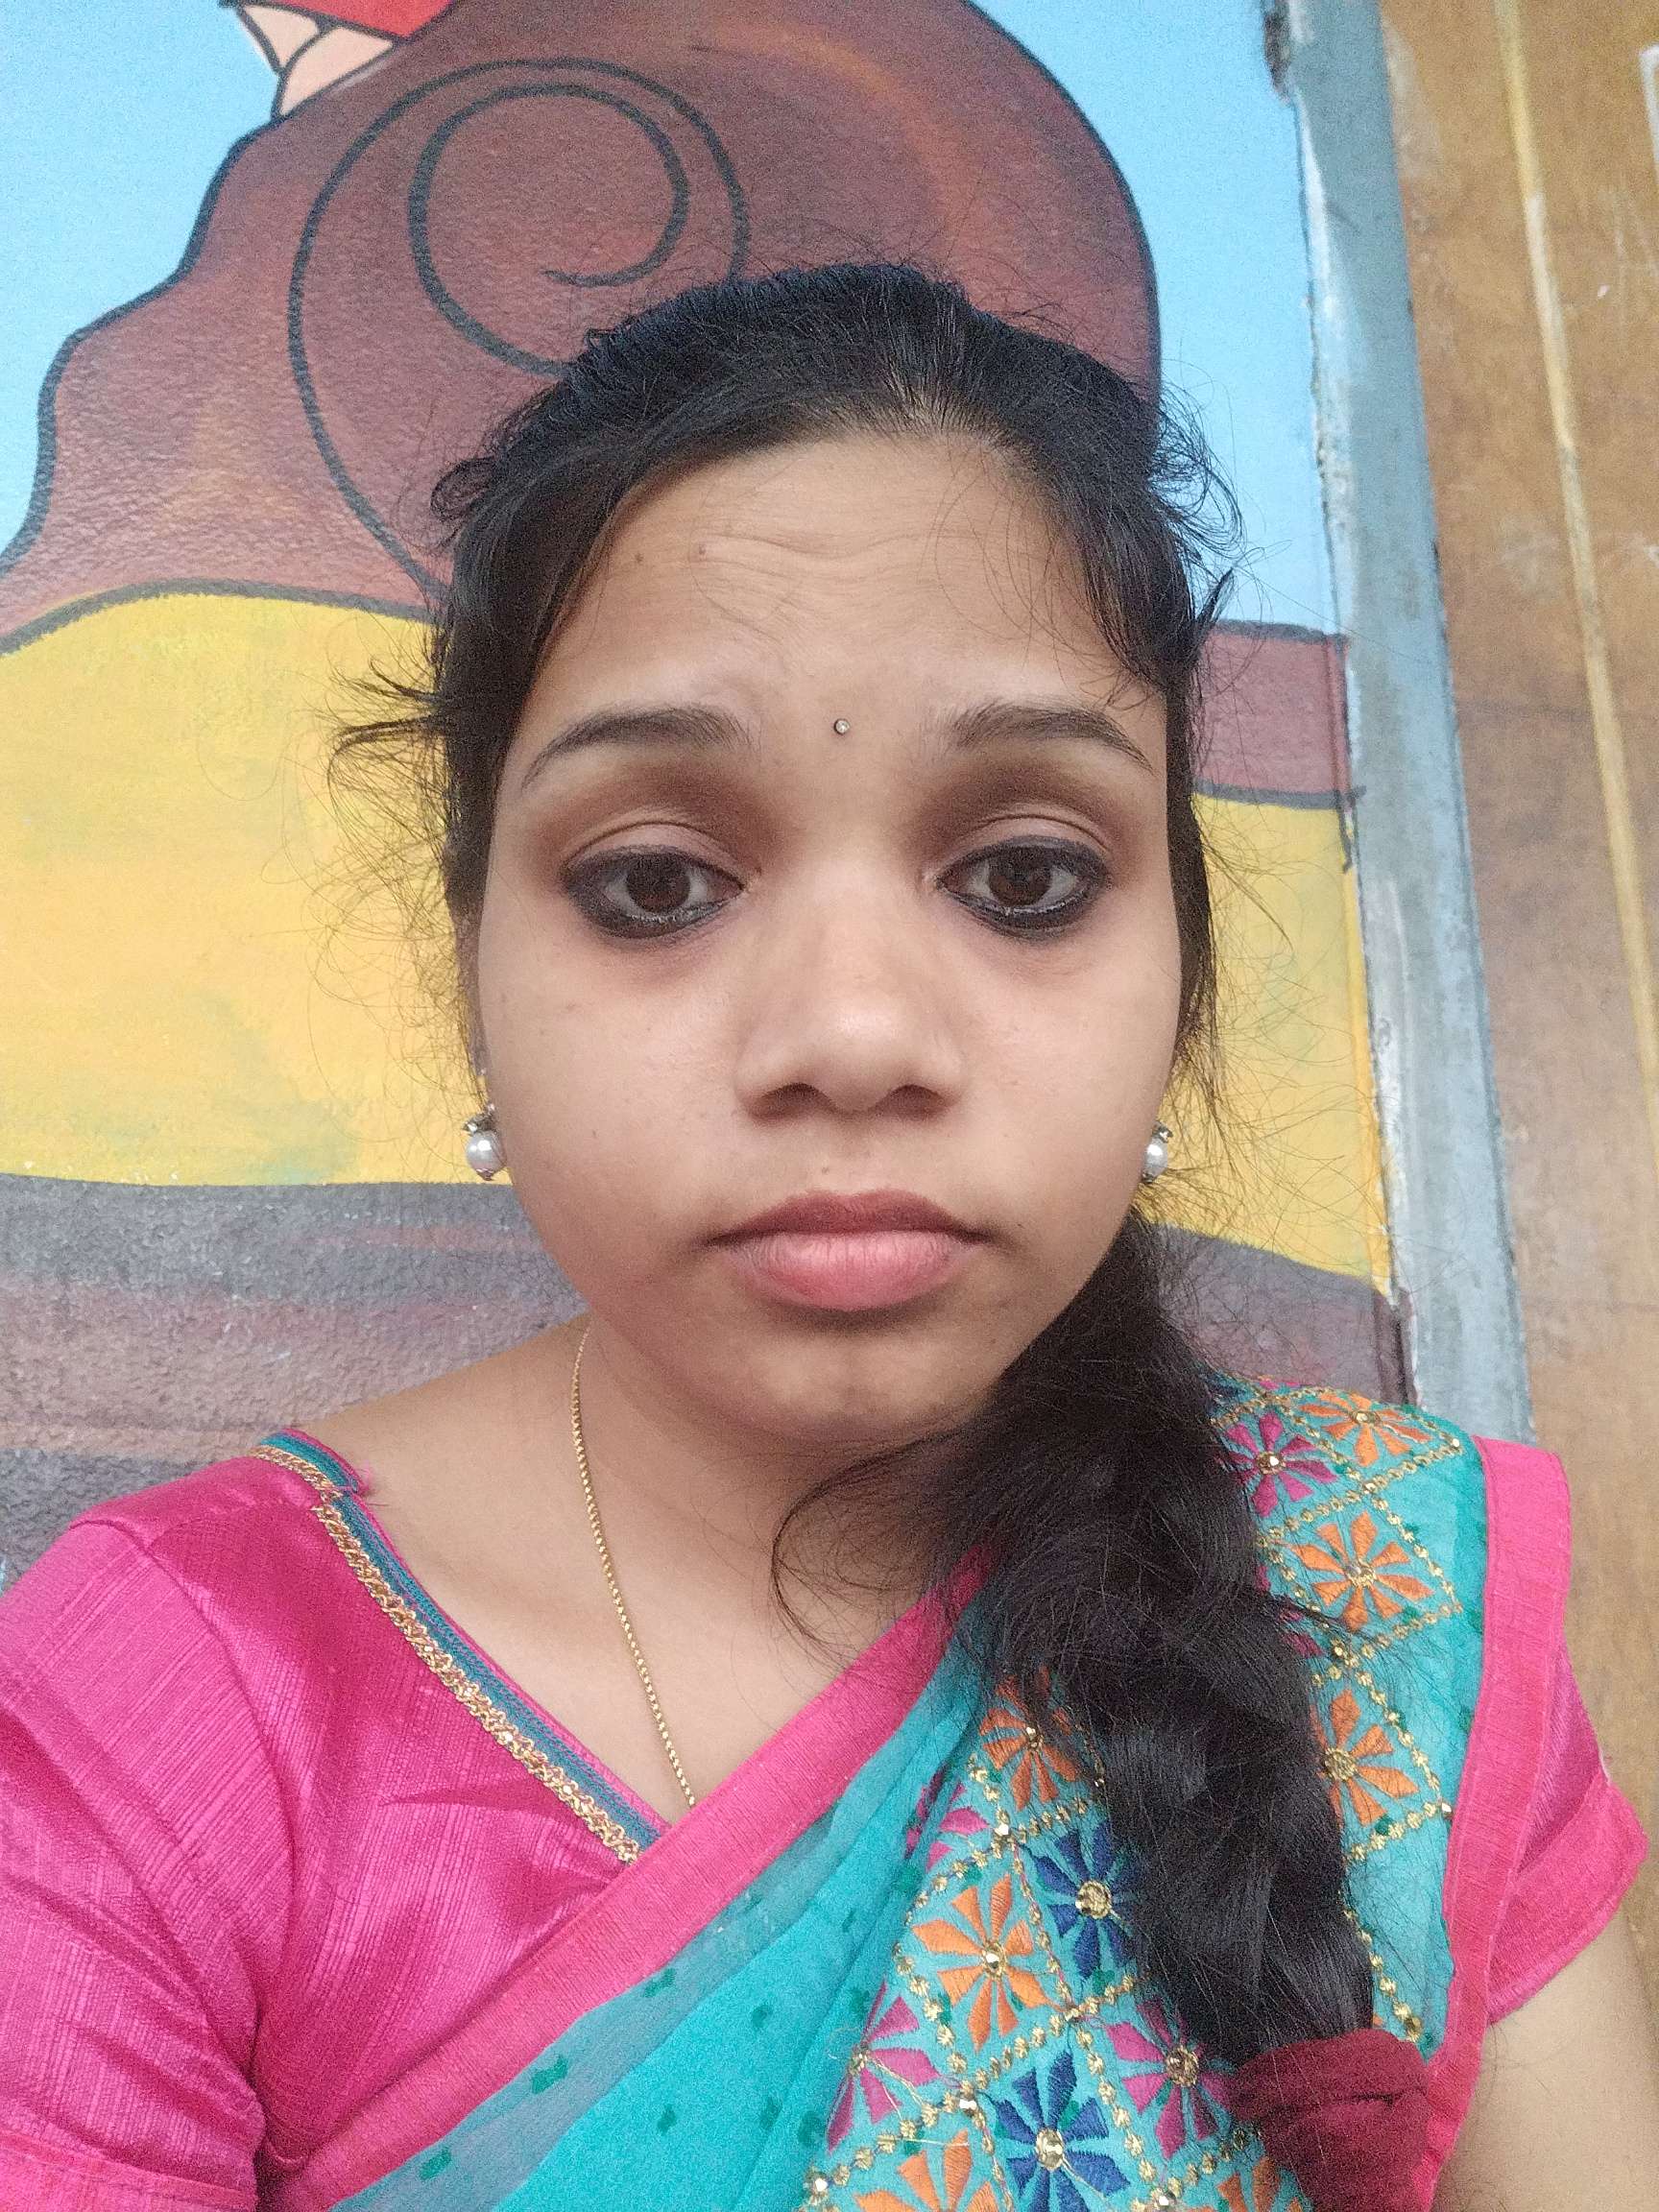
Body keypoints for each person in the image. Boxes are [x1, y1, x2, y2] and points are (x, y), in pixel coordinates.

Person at [1, 262, 1653, 2212]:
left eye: (1025, 877)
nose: (855, 1036)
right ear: (473, 977)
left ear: (1184, 977)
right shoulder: (170, 1710)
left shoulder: (1385, 1624)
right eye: (657, 883)